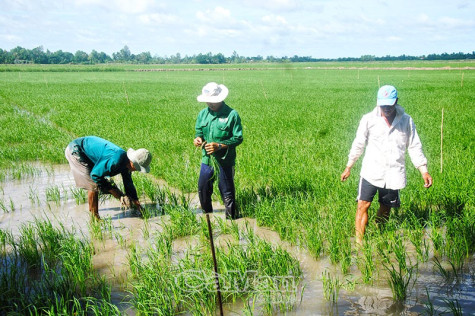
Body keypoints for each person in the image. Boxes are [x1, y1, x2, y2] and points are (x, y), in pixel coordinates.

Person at [340, 85, 433, 243]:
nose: (386, 109)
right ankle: (359, 244)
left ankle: (378, 235)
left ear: (396, 101)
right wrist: (349, 166)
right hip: (371, 170)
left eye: (389, 105)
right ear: (378, 103)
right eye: (383, 105)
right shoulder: (369, 119)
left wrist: (423, 170)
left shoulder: (406, 121)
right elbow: (358, 143)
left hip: (393, 173)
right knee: (363, 204)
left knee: (385, 207)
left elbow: (414, 145)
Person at [65, 136, 152, 220]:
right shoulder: (115, 161)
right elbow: (95, 175)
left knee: (102, 184)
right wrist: (115, 192)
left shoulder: (126, 164)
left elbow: (128, 183)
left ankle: (97, 209)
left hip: (87, 151)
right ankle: (95, 218)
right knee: (93, 185)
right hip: (76, 150)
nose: (137, 170)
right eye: (138, 168)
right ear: (133, 163)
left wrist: (138, 205)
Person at [193, 82, 243, 219]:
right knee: (203, 188)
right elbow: (199, 132)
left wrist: (220, 146)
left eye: (213, 101)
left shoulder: (232, 115)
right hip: (207, 160)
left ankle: (232, 221)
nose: (210, 104)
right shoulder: (203, 114)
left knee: (227, 192)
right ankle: (207, 218)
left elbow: (238, 138)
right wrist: (198, 139)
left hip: (224, 160)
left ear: (220, 98)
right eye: (208, 101)